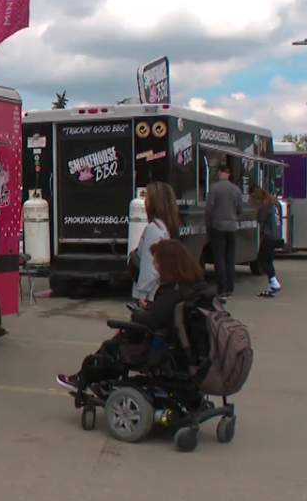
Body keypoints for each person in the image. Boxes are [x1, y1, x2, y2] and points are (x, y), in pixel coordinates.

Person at [56, 240, 213, 393]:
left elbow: (153, 321)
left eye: (157, 262)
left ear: (168, 265)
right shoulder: (195, 287)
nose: (155, 266)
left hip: (162, 346)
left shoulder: (172, 292)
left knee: (112, 345)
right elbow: (164, 313)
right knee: (123, 336)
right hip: (184, 345)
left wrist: (138, 314)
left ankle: (83, 379)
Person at [132, 181, 181, 306]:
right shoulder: (168, 226)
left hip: (152, 294)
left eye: (147, 197)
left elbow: (150, 264)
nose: (145, 201)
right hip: (162, 289)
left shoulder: (154, 228)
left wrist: (142, 294)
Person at [206, 164, 243, 298]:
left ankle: (221, 288)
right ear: (229, 174)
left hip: (217, 226)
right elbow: (240, 209)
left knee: (219, 258)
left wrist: (208, 224)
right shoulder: (236, 189)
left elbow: (209, 208)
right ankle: (230, 288)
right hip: (232, 227)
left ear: (221, 173)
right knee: (230, 258)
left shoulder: (214, 188)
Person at [250, 188, 282, 297]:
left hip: (268, 236)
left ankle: (274, 282)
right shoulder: (273, 204)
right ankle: (271, 285)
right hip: (275, 235)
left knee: (263, 260)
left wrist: (257, 211)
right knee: (268, 260)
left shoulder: (265, 207)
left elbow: (260, 219)